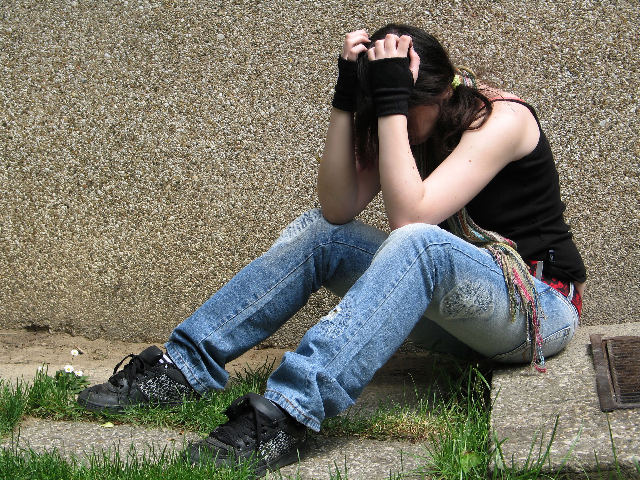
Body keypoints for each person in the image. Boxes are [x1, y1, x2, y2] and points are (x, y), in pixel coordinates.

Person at [77, 24, 586, 476]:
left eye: (405, 110)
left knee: (420, 243)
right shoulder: (404, 122)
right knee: (321, 232)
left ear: (432, 91)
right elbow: (338, 208)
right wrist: (347, 100)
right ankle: (181, 369)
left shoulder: (502, 119)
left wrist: (390, 102)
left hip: (535, 310)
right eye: (390, 113)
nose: (398, 126)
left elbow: (410, 217)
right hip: (459, 321)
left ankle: (287, 414)